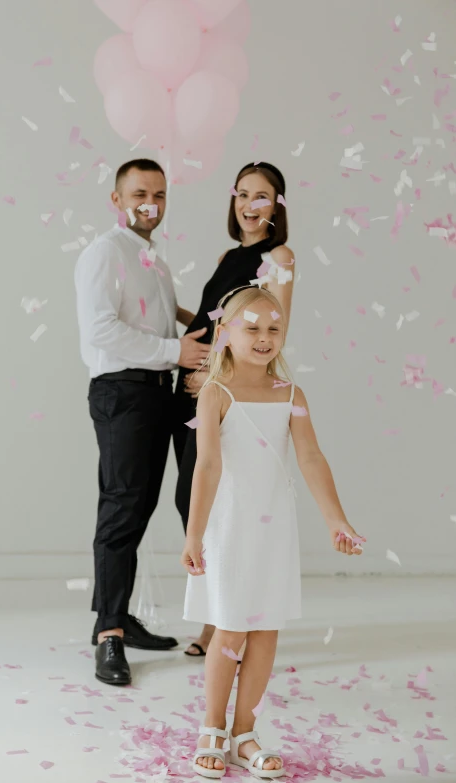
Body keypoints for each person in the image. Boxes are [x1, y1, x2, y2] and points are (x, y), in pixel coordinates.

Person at [180, 286, 365, 778]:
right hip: (232, 526)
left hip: (274, 528)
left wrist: (335, 519)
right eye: (252, 327)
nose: (264, 338)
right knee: (232, 625)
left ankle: (244, 732)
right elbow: (207, 467)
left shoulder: (291, 395)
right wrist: (194, 534)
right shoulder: (216, 394)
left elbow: (310, 456)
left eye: (274, 329)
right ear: (226, 334)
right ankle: (211, 728)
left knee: (265, 629)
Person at [74, 158, 208, 687]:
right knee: (123, 507)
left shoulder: (150, 257)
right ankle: (108, 634)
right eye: (138, 194)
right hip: (123, 392)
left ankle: (119, 616)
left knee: (140, 505)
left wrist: (211, 325)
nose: (149, 203)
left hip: (154, 392)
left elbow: (162, 314)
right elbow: (103, 329)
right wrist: (177, 352)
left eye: (158, 193)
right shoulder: (106, 253)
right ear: (117, 199)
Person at [173, 162, 295, 658]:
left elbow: (274, 324)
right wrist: (172, 316)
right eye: (242, 194)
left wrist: (217, 377)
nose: (249, 204)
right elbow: (214, 317)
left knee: (227, 505)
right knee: (193, 500)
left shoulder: (279, 255)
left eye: (261, 196)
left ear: (277, 204)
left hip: (227, 393)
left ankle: (221, 622)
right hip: (196, 388)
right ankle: (219, 611)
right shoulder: (229, 254)